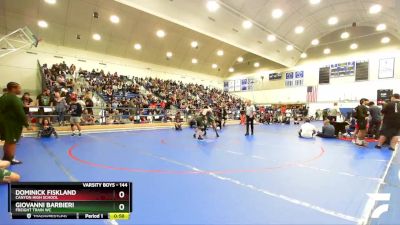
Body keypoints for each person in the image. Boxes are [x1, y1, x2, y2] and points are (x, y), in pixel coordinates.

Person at [0, 82, 30, 165]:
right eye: (19, 88)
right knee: (12, 142)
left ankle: (5, 158)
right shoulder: (14, 98)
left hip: (4, 123)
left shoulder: (4, 97)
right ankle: (10, 159)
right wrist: (27, 125)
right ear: (13, 88)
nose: (20, 90)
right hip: (12, 125)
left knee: (7, 141)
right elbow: (20, 113)